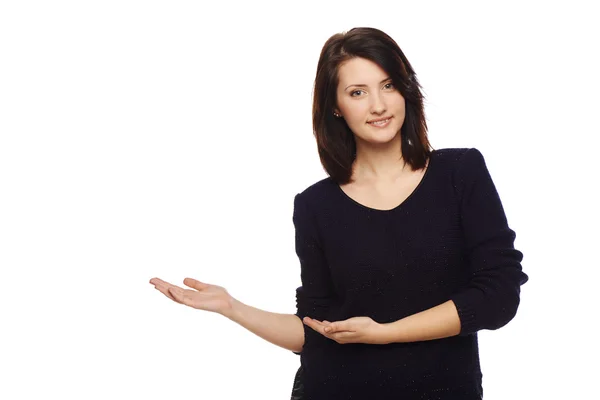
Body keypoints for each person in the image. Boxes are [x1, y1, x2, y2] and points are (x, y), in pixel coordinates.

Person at [149, 27, 529, 399]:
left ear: (406, 89)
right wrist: (232, 308)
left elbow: (498, 297)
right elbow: (316, 331)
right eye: (357, 92)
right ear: (336, 106)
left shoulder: (460, 173)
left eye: (389, 85)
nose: (378, 105)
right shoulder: (315, 206)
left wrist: (385, 332)